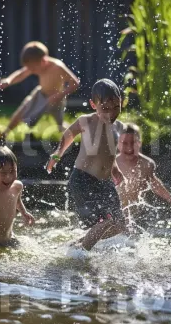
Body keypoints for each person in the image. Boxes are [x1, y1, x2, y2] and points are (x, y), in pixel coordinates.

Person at [46, 78, 128, 251]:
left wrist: (115, 169)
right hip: (84, 180)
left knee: (120, 225)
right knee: (106, 221)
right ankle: (81, 254)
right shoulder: (87, 121)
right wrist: (57, 154)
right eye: (105, 108)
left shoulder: (116, 127)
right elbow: (68, 135)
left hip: (105, 183)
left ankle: (79, 244)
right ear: (93, 105)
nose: (111, 113)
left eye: (117, 107)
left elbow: (108, 154)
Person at [0, 41, 80, 140]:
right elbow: (21, 74)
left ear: (43, 61)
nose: (32, 71)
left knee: (60, 126)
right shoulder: (35, 64)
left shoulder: (57, 67)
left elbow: (75, 83)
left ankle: (75, 133)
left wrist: (60, 95)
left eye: (33, 69)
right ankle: (5, 133)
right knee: (22, 110)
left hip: (56, 99)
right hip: (41, 93)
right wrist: (8, 81)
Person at [116, 123, 171, 219]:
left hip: (135, 214)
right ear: (117, 143)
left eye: (133, 143)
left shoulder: (146, 164)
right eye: (124, 143)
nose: (129, 147)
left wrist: (170, 197)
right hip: (115, 210)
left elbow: (153, 182)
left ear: (139, 143)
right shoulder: (113, 164)